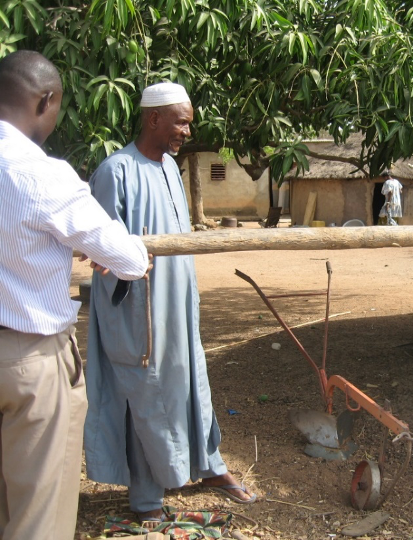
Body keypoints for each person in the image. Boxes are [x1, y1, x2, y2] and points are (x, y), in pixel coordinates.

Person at [84, 82, 256, 522]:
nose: (185, 131)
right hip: (138, 312)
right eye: (180, 122)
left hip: (178, 304)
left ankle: (207, 466)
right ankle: (146, 498)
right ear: (153, 118)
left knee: (188, 383)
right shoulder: (115, 171)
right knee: (147, 394)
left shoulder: (168, 169)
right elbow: (103, 254)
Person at [0, 50, 150, 540]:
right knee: (37, 512)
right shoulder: (40, 174)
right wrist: (98, 247)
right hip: (28, 360)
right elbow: (129, 259)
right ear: (46, 101)